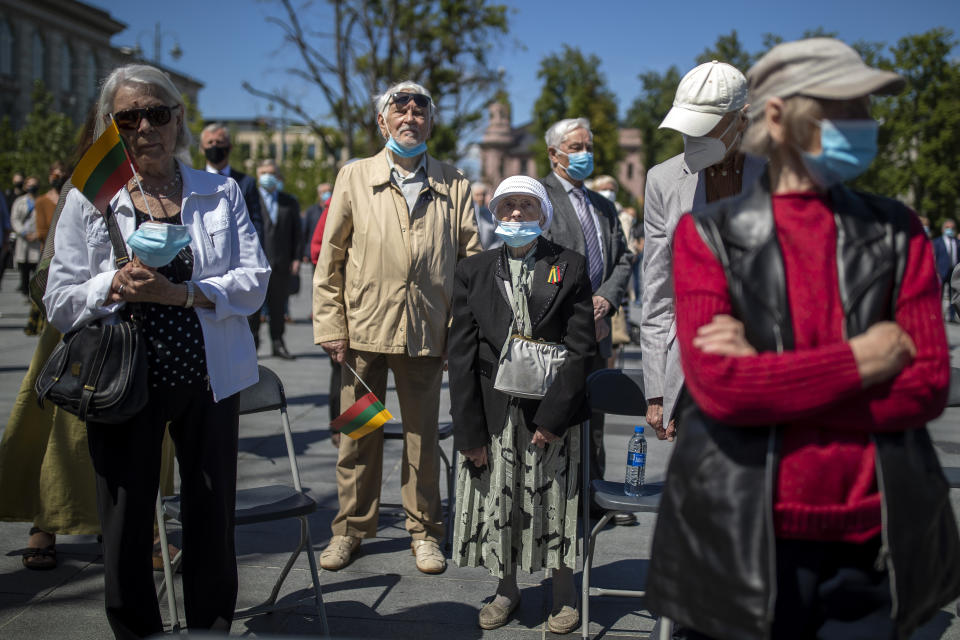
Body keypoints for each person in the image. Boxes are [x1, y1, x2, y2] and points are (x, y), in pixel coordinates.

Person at [646, 38, 960, 639]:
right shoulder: (707, 234)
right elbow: (717, 388)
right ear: (775, 115)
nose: (865, 125)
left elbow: (923, 389)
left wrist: (766, 379)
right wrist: (864, 359)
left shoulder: (896, 230)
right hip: (739, 525)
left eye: (866, 108)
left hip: (874, 537)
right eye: (842, 109)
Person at [44, 64, 270, 639]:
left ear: (179, 120)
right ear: (111, 127)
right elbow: (60, 301)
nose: (146, 126)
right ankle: (136, 631)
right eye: (128, 116)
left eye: (158, 113)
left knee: (211, 514)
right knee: (124, 519)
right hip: (122, 380)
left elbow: (255, 281)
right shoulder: (90, 200)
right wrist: (111, 284)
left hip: (208, 377)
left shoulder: (219, 192)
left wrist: (182, 293)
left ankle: (209, 628)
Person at [313, 80, 480, 575]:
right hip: (363, 333)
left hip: (427, 334)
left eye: (420, 108)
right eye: (399, 107)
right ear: (381, 120)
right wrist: (330, 323)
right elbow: (332, 256)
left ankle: (424, 532)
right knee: (358, 435)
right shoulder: (355, 176)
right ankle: (350, 528)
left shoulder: (454, 182)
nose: (410, 115)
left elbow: (470, 262)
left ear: (431, 120)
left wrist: (460, 330)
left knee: (422, 438)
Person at [449, 175, 595, 633]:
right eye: (507, 205)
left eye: (526, 206)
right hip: (495, 414)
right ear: (494, 212)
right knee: (499, 500)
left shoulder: (568, 265)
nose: (516, 214)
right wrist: (469, 433)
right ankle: (506, 589)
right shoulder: (473, 271)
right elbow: (462, 357)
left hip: (551, 411)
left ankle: (564, 594)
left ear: (542, 214)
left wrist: (554, 418)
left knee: (556, 500)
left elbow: (580, 350)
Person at [641, 60, 766, 443]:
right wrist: (658, 388)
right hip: (694, 368)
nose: (693, 137)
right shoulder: (662, 180)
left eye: (706, 126)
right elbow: (658, 288)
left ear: (741, 119)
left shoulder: (781, 172)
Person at [539, 117, 630, 515]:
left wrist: (605, 301)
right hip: (555, 333)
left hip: (598, 328)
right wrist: (579, 306)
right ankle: (553, 497)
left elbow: (624, 258)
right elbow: (538, 261)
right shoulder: (538, 198)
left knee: (595, 416)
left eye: (587, 147)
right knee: (554, 413)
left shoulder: (604, 207)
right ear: (553, 153)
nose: (584, 155)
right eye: (575, 147)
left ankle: (593, 498)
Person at [249, 159, 302, 359]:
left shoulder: (289, 202)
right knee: (253, 309)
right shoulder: (250, 200)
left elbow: (297, 232)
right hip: (255, 264)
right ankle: (252, 345)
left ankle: (278, 343)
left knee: (278, 307)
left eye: (271, 172)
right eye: (263, 172)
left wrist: (296, 258)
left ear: (278, 176)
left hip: (281, 264)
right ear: (257, 175)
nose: (267, 176)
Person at [200, 122, 264, 240]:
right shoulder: (194, 182)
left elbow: (255, 223)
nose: (214, 146)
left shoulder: (246, 182)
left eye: (219, 142)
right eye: (210, 142)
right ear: (202, 149)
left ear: (229, 147)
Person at [10, 176, 42, 296]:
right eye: (29, 185)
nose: (32, 187)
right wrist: (23, 232)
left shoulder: (41, 200)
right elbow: (14, 219)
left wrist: (38, 234)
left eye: (34, 184)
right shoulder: (19, 202)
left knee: (37, 267)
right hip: (23, 239)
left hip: (36, 238)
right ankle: (25, 290)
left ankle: (35, 293)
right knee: (24, 266)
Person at [933, 218, 958, 322]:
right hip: (941, 272)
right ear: (943, 229)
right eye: (947, 227)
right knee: (939, 294)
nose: (950, 230)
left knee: (954, 295)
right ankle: (937, 314)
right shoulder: (937, 242)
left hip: (954, 272)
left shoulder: (957, 242)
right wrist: (936, 271)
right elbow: (934, 257)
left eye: (952, 228)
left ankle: (952, 316)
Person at [303, 182, 332, 262]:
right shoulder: (311, 211)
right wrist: (306, 252)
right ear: (318, 194)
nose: (327, 194)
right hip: (315, 254)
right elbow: (305, 232)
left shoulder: (336, 209)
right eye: (323, 192)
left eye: (329, 191)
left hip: (331, 253)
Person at [471, 180, 502, 250]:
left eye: (483, 194)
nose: (481, 198)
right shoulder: (468, 215)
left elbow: (497, 238)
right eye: (477, 195)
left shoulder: (491, 215)